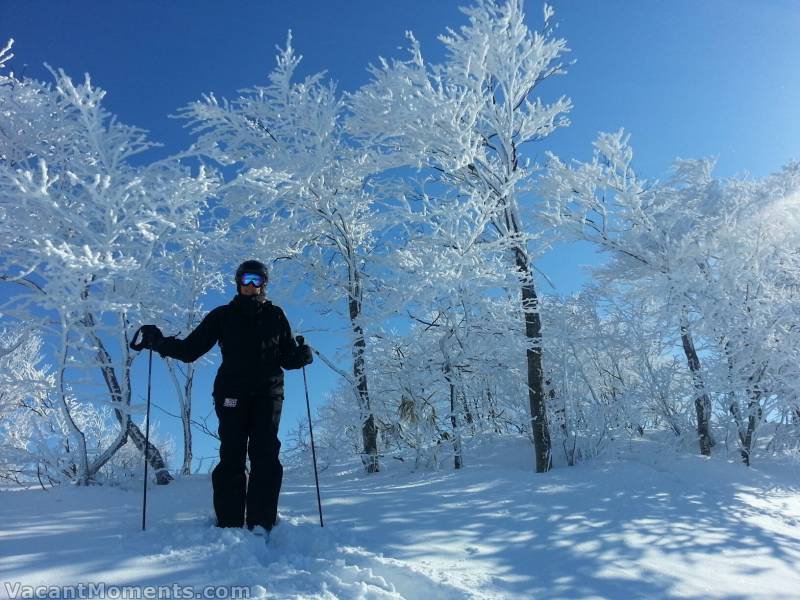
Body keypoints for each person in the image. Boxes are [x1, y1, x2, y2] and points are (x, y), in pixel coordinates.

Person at [136, 259, 313, 531]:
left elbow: (287, 357)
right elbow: (189, 349)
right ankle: (229, 523)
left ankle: (261, 523)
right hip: (232, 394)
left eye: (256, 280)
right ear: (238, 283)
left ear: (264, 283)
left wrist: (301, 356)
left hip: (268, 393)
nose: (250, 285)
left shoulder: (276, 315)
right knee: (232, 454)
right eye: (245, 280)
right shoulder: (222, 315)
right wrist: (159, 342)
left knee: (265, 454)